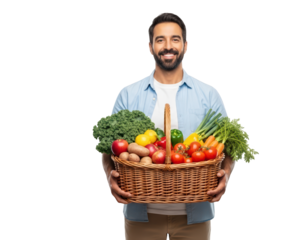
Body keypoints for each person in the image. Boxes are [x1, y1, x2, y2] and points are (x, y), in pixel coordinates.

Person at [100, 12, 237, 240]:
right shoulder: (127, 94)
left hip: (195, 215)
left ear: (186, 46)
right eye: (160, 40)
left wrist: (227, 174)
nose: (168, 46)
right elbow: (108, 147)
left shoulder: (209, 94)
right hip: (139, 215)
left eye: (175, 39)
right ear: (150, 47)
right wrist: (108, 177)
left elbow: (230, 146)